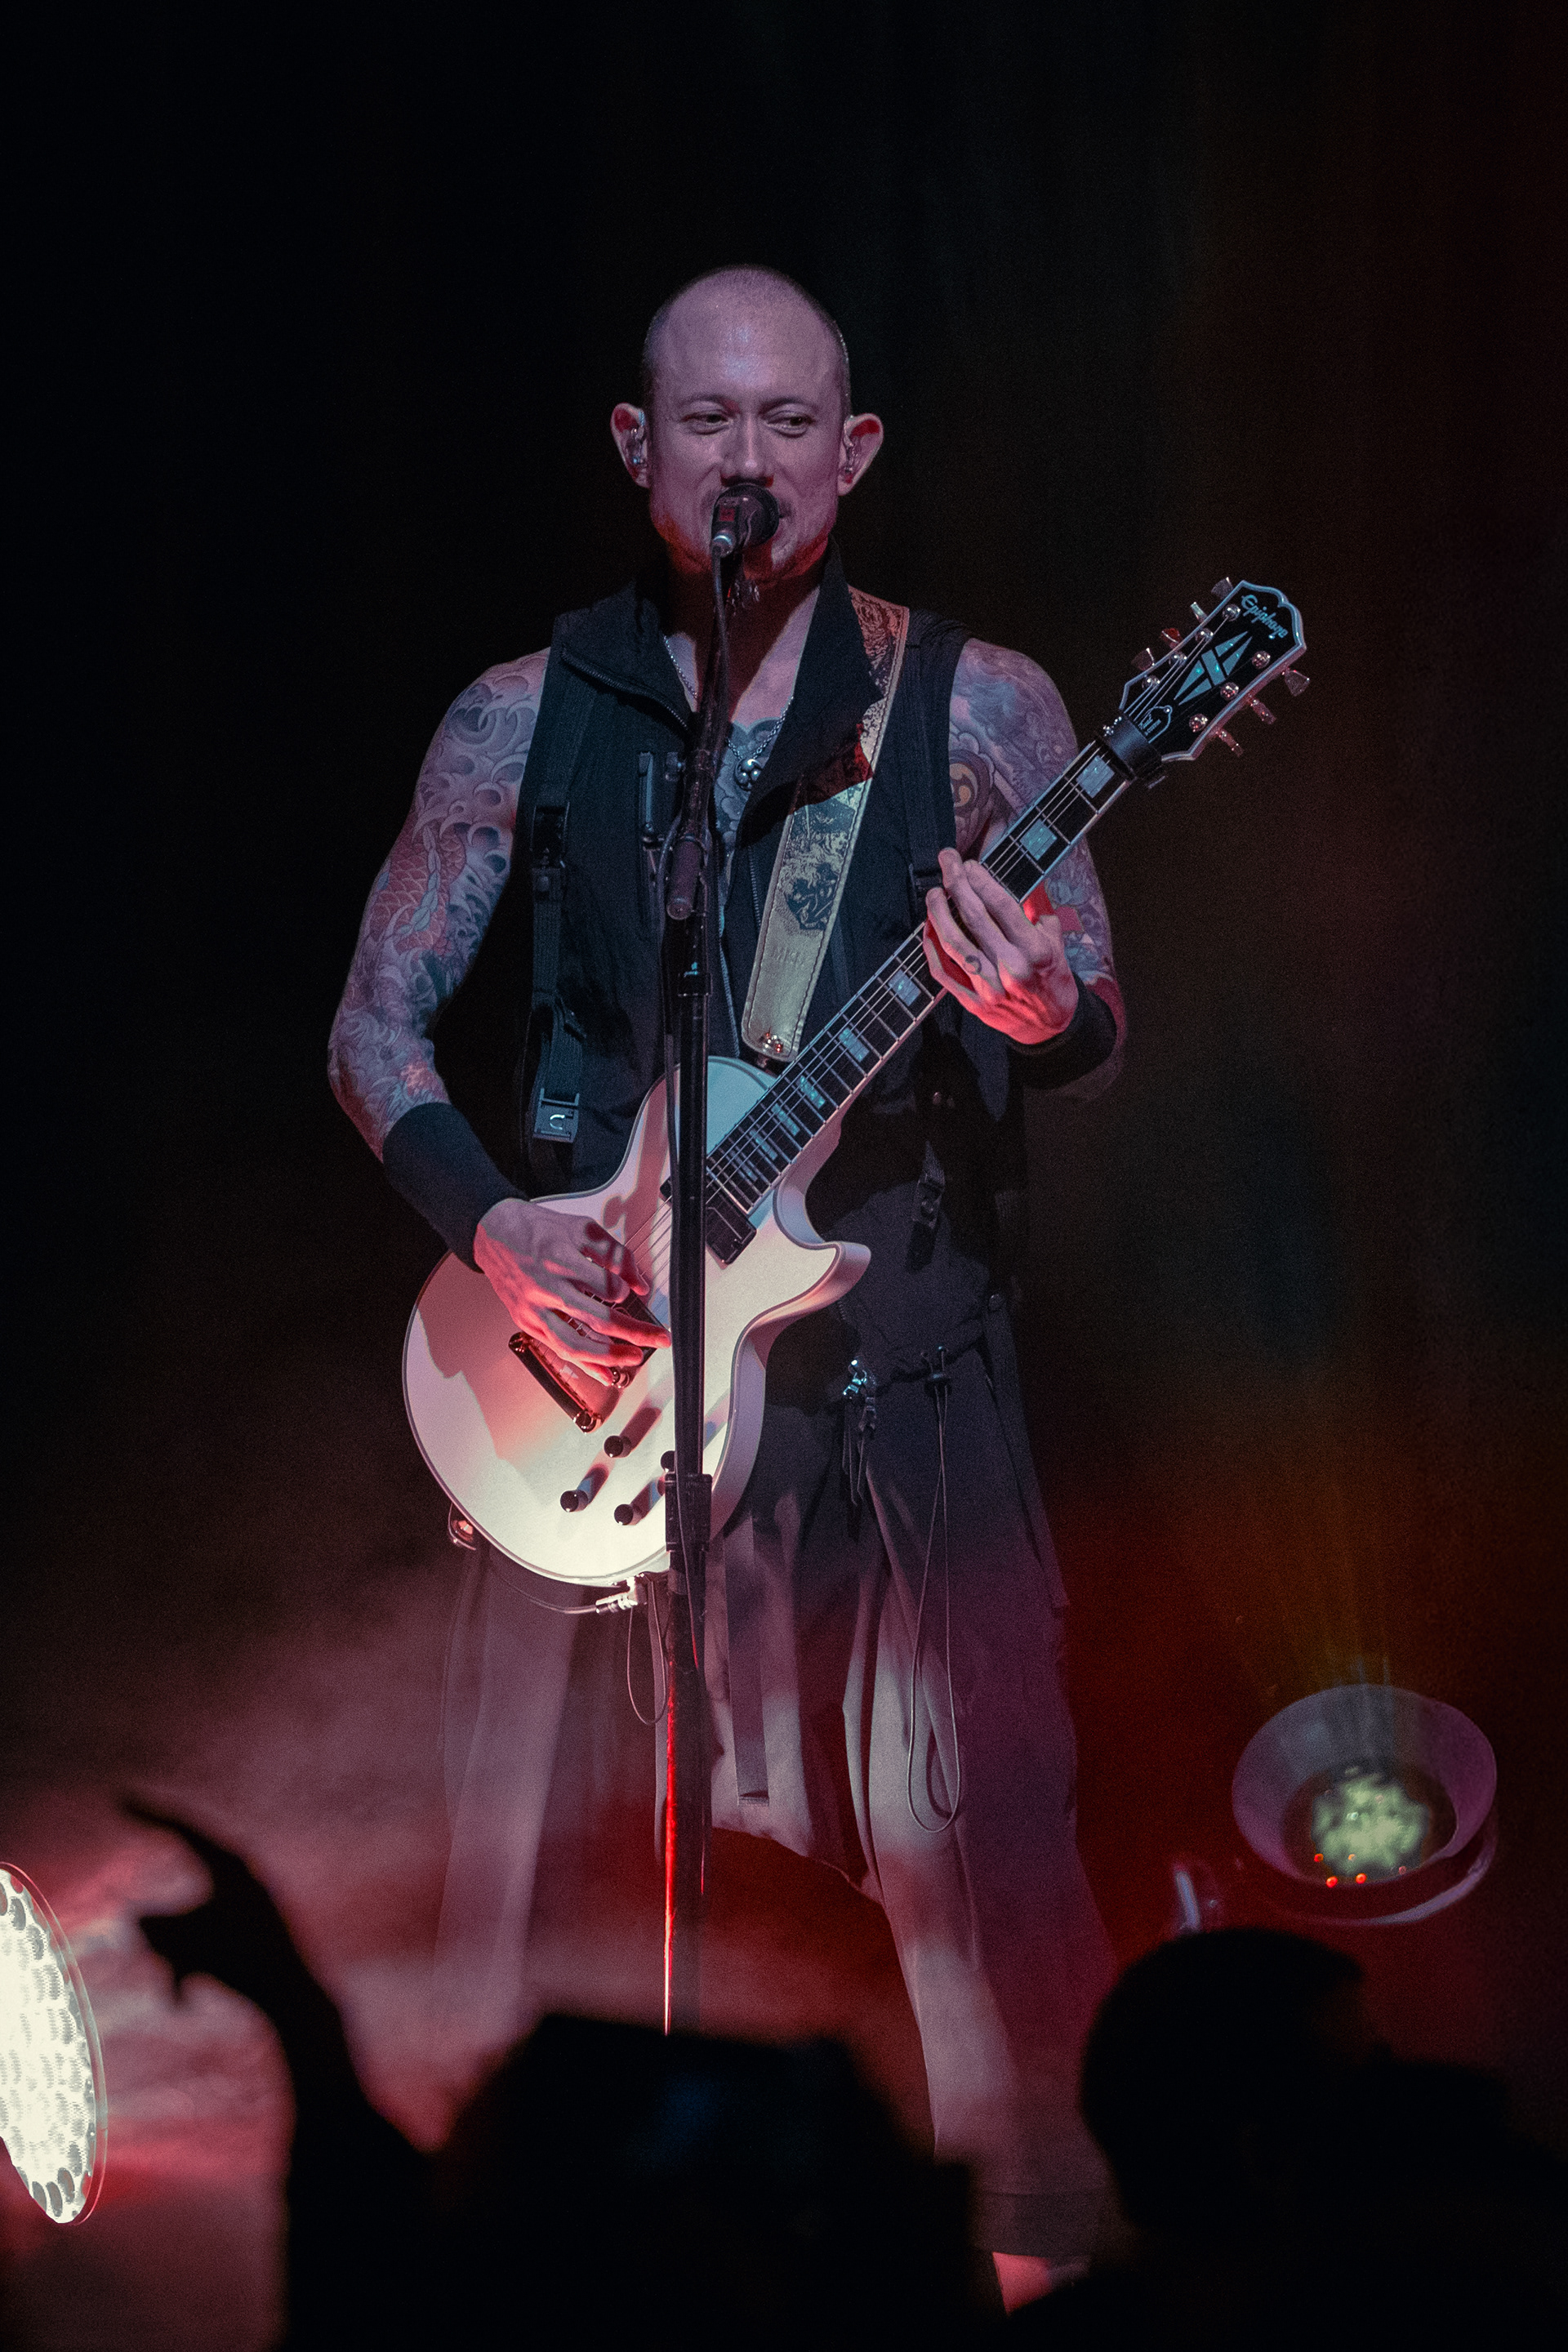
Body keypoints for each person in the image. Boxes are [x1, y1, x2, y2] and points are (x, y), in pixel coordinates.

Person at [329, 264, 1127, 2297]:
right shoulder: (527, 711)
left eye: (787, 424)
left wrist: (1041, 1010)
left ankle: (1026, 2273)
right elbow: (373, 1030)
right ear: (638, 447)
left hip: (904, 1391)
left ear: (853, 455)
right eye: (707, 422)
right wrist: (492, 1225)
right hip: (612, 1396)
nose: (747, 460)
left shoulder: (982, 706)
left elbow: (1095, 1000)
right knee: (620, 1911)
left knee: (972, 1881)